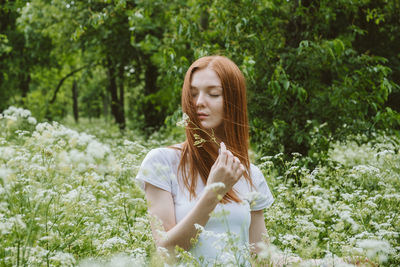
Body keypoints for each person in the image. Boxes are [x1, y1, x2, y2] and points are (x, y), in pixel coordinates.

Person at [136, 55, 274, 265]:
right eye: (192, 94)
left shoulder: (250, 173)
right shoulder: (162, 162)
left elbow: (262, 257)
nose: (199, 102)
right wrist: (214, 192)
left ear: (233, 100)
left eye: (213, 94)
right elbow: (166, 254)